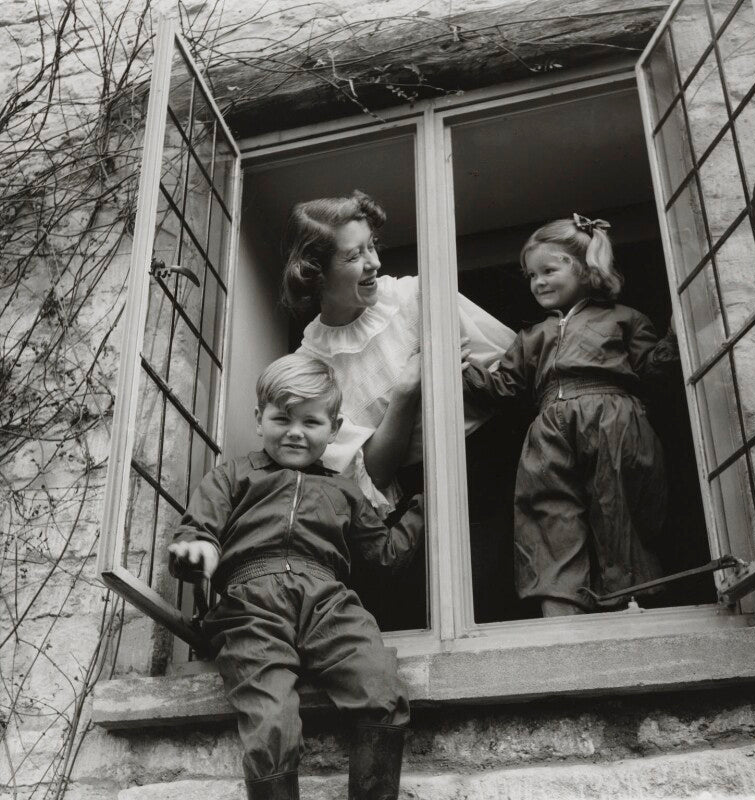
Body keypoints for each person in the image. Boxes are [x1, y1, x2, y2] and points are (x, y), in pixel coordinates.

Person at [167, 353, 424, 800]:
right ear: (259, 418)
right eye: (281, 418)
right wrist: (197, 549)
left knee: (382, 687)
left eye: (311, 422)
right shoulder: (233, 475)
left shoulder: (344, 489)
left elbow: (383, 555)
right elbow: (198, 528)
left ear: (335, 427)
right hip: (250, 608)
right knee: (271, 722)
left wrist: (425, 510)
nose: (295, 432)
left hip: (328, 603)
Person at [282, 190, 516, 626]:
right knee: (452, 612)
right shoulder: (311, 365)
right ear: (316, 273)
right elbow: (374, 473)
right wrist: (408, 390)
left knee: (511, 594)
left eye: (372, 246)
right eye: (354, 256)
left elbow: (508, 372)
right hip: (416, 499)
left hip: (491, 463)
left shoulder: (415, 296)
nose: (373, 262)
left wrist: (459, 380)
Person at [462, 214, 679, 617]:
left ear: (583, 267)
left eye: (549, 269)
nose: (538, 281)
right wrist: (458, 369)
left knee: (618, 509)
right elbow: (503, 387)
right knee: (548, 514)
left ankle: (632, 604)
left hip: (613, 418)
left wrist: (678, 331)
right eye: (531, 275)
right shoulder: (534, 335)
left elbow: (653, 370)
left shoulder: (623, 318)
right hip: (549, 429)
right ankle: (560, 613)